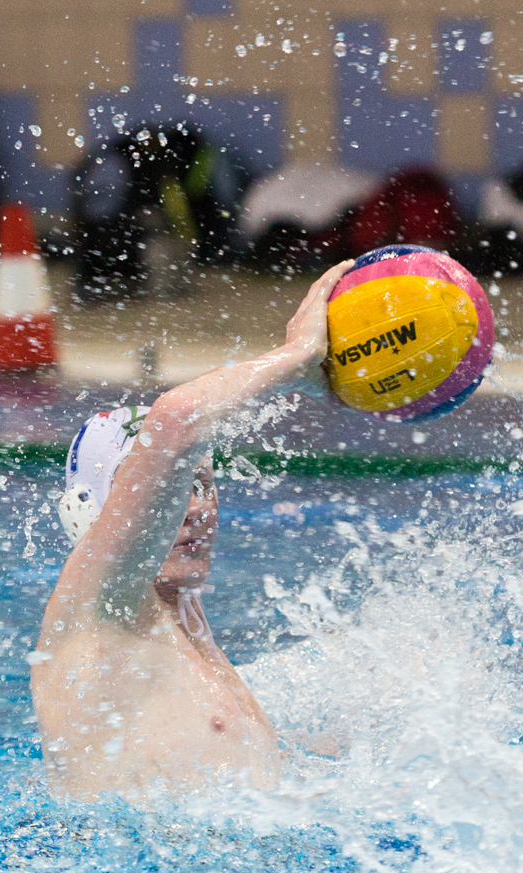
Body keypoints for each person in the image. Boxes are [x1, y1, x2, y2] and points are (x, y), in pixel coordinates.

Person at [30, 261, 352, 799]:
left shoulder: (178, 620)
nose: (196, 508)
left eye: (203, 483)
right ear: (94, 516)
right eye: (171, 491)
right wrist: (296, 359)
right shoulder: (100, 610)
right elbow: (177, 419)